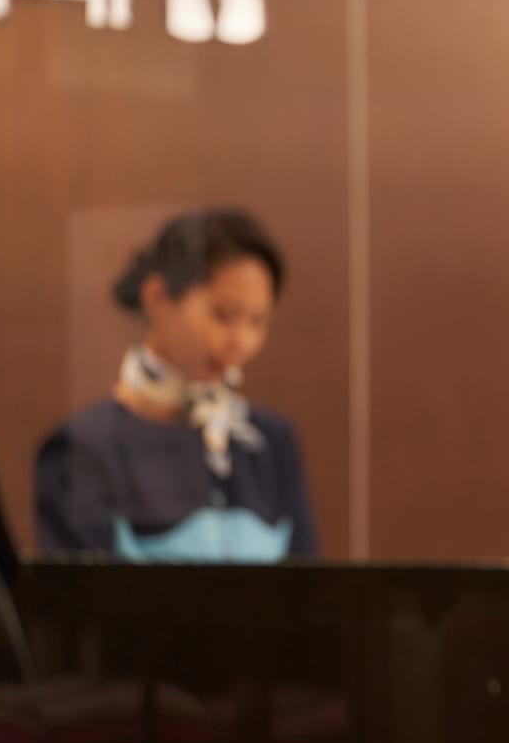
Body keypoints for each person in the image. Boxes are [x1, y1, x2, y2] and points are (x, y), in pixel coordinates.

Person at [35, 207, 317, 561]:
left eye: (257, 321)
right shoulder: (83, 448)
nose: (242, 342)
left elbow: (306, 584)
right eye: (224, 315)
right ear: (157, 297)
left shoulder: (271, 442)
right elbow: (80, 593)